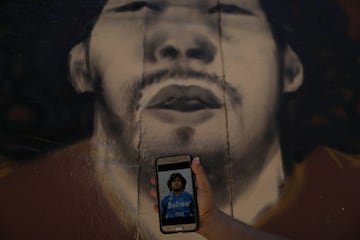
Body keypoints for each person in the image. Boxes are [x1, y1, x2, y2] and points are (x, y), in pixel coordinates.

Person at [0, 0, 359, 239]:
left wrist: (213, 225)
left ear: (291, 68)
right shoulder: (12, 207)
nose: (182, 42)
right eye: (137, 7)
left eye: (228, 9)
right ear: (81, 67)